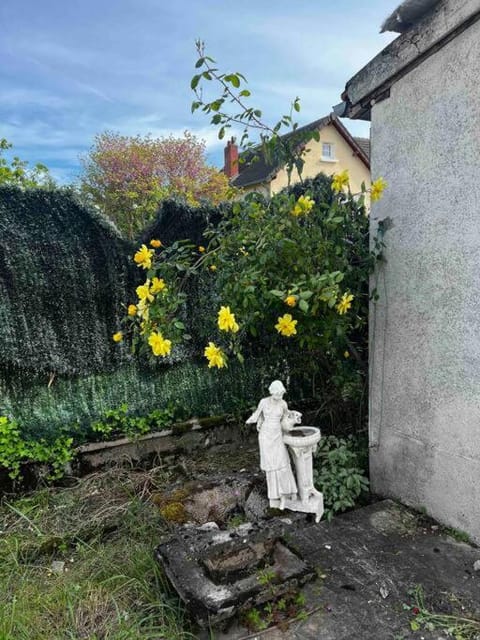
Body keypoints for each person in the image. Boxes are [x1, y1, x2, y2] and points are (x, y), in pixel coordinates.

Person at [246, 380, 298, 509]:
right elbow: (258, 414)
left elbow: (286, 417)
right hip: (265, 436)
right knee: (271, 467)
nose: (279, 397)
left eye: (281, 394)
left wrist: (293, 416)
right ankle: (274, 498)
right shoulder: (264, 401)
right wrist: (255, 420)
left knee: (282, 463)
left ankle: (288, 493)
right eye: (277, 394)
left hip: (277, 434)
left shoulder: (283, 404)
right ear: (272, 392)